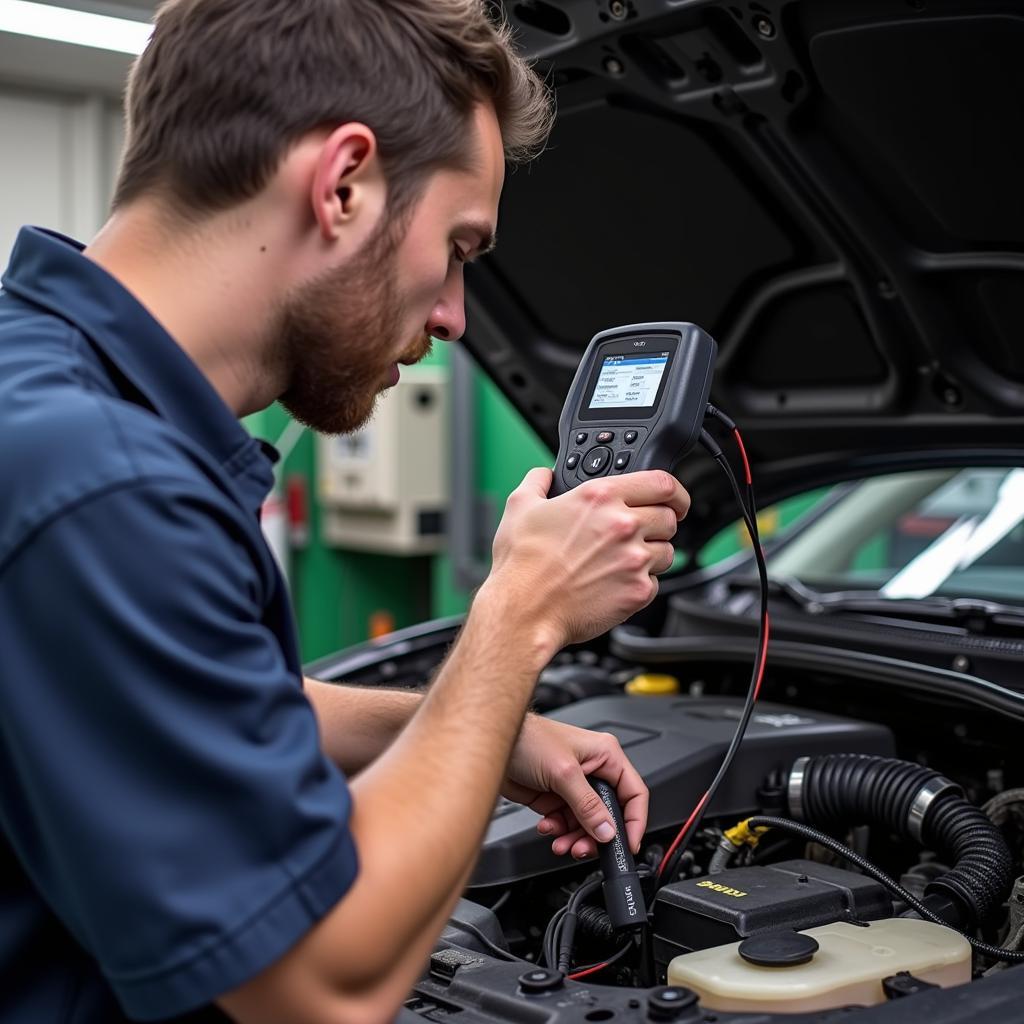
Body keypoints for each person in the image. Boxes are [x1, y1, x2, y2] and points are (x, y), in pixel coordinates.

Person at [0, 1, 691, 1021]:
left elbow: (175, 705)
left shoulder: (43, 388)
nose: (455, 314)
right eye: (458, 245)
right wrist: (519, 612)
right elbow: (321, 986)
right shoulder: (110, 485)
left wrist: (472, 733)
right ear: (344, 183)